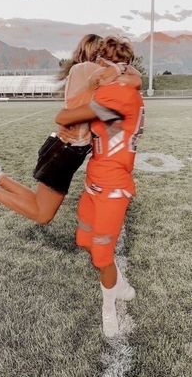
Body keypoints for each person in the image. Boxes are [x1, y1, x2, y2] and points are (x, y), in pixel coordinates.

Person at [0, 35, 140, 226]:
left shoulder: (81, 69)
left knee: (39, 202)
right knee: (42, 214)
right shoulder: (93, 71)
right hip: (67, 150)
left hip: (63, 147)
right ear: (98, 54)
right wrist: (121, 67)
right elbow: (135, 80)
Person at [55, 36, 145, 337]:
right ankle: (118, 283)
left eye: (100, 62)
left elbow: (65, 115)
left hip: (113, 188)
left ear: (108, 65)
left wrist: (93, 85)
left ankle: (109, 309)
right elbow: (98, 116)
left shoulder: (118, 95)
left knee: (102, 257)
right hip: (94, 182)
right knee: (84, 241)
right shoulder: (121, 89)